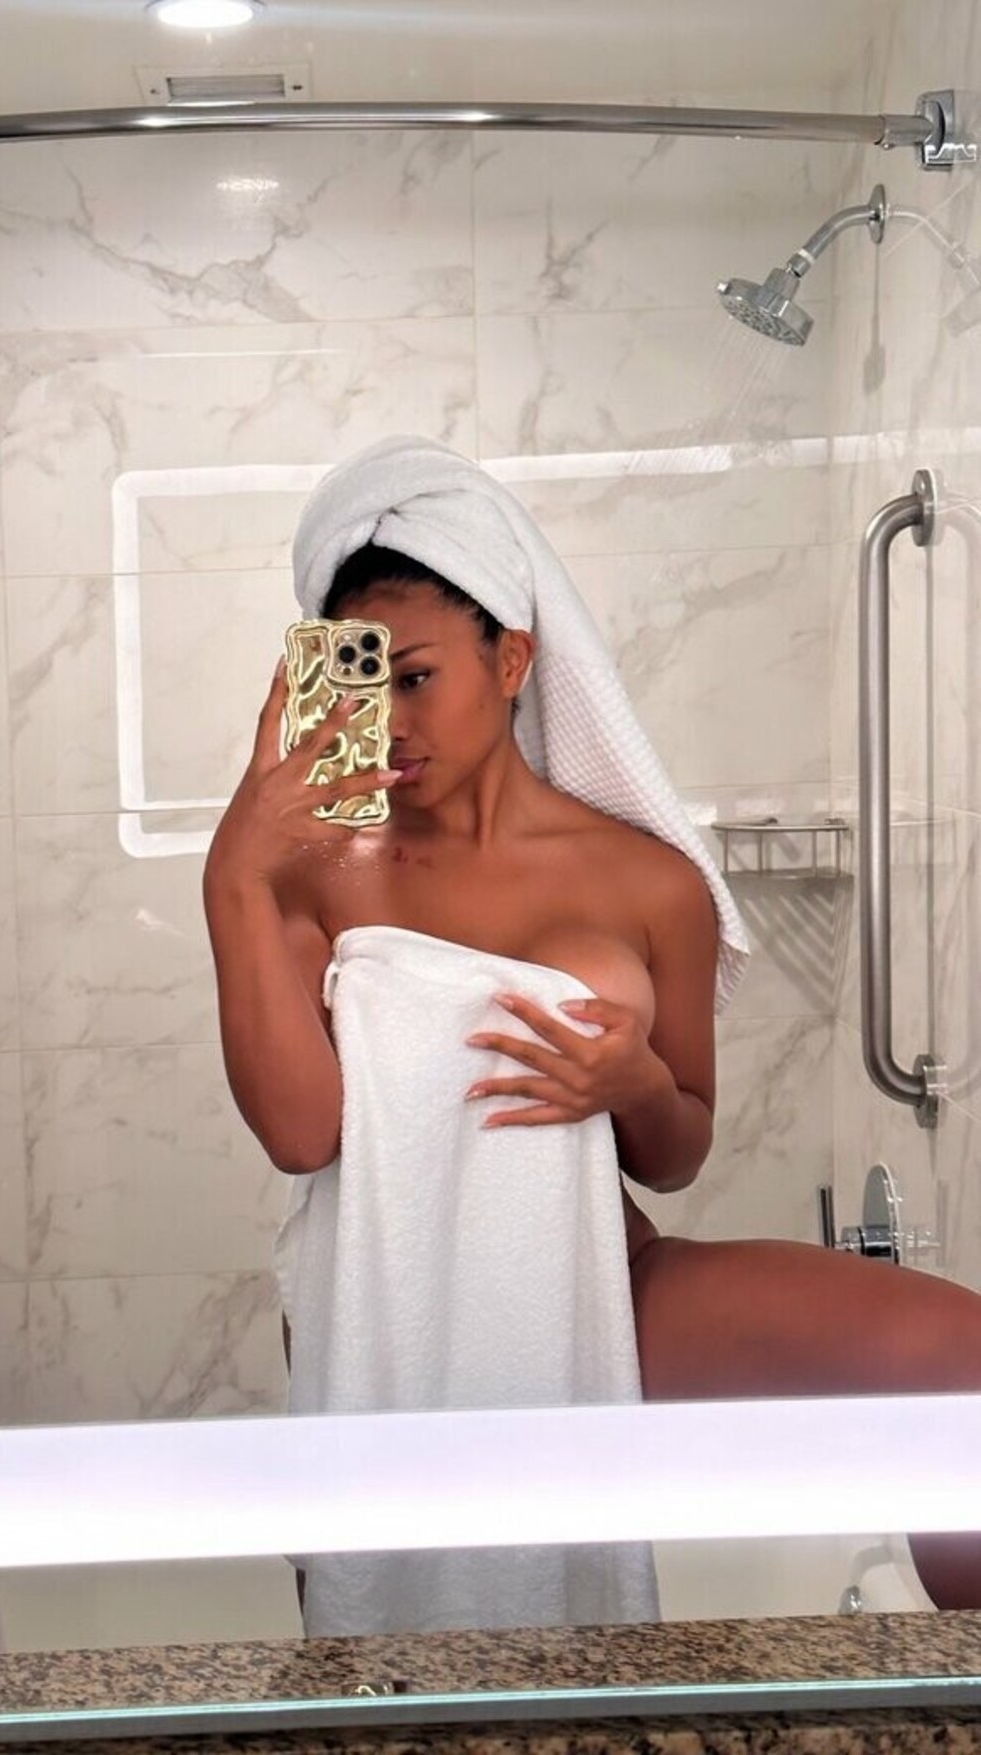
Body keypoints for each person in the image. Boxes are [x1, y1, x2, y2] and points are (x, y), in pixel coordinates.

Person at [204, 436, 981, 1632]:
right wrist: (235, 877)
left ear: (511, 657)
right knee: (391, 1670)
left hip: (596, 1293)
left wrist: (633, 1081)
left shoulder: (647, 882)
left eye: (417, 676)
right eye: (361, 685)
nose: (390, 720)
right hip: (381, 1333)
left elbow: (677, 1152)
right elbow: (303, 1135)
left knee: (958, 1367)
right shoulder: (314, 870)